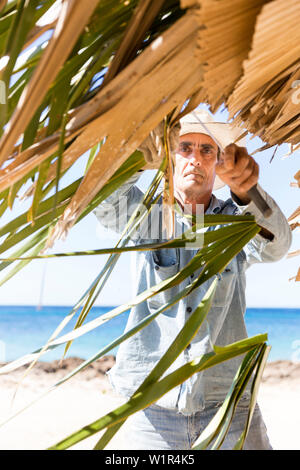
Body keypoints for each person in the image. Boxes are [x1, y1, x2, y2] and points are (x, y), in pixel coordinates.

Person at [93, 109, 292, 450]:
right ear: (170, 156)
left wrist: (248, 194)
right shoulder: (150, 219)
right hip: (153, 407)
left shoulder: (234, 220)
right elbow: (105, 204)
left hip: (229, 404)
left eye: (206, 150)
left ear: (218, 162)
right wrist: (142, 153)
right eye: (184, 148)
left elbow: (277, 246)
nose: (195, 160)